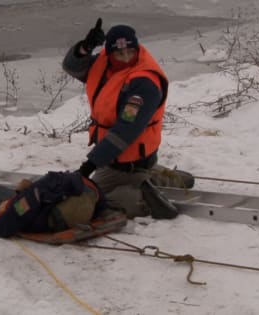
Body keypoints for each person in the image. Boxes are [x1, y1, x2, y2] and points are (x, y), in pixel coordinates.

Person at [62, 18, 194, 219]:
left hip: (128, 158)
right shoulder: (104, 64)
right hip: (121, 158)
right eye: (119, 53)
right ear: (109, 53)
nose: (125, 58)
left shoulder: (144, 83)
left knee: (90, 199)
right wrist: (84, 48)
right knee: (125, 176)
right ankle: (159, 177)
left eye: (130, 52)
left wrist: (89, 166)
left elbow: (125, 131)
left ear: (136, 49)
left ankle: (141, 196)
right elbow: (72, 67)